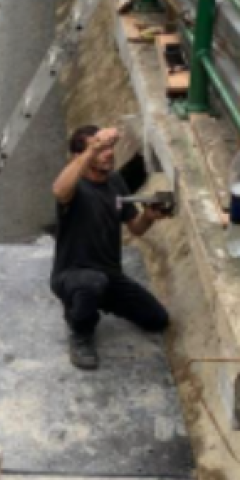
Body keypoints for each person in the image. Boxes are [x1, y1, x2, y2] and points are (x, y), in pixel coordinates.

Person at [50, 125, 170, 370]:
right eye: (100, 149)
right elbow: (59, 190)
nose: (108, 154)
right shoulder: (75, 188)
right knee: (91, 284)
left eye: (109, 148)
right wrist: (93, 146)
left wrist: (148, 217)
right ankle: (80, 331)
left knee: (157, 319)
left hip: (109, 275)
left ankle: (96, 300)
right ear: (79, 157)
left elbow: (135, 228)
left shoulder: (115, 181)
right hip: (72, 274)